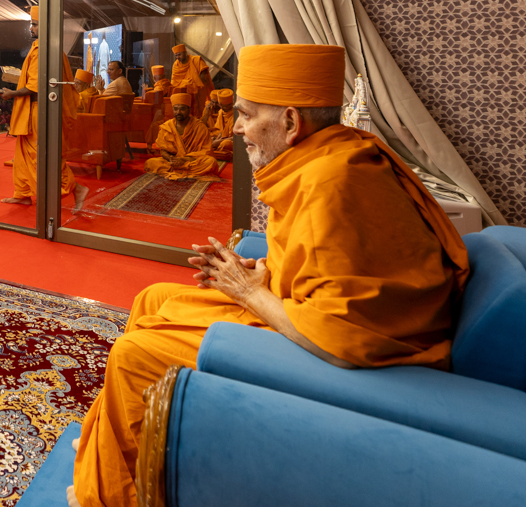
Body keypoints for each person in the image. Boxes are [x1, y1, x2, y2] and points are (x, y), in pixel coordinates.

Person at [69, 44, 470, 507]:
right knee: (154, 298)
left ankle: (109, 494)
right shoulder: (336, 152)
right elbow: (323, 262)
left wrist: (248, 292)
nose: (237, 127)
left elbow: (341, 336)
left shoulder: (331, 183)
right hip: (302, 304)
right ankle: (119, 451)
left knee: (134, 352)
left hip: (348, 347)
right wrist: (260, 269)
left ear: (291, 123)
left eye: (244, 114)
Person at [0, 7, 88, 210]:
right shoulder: (43, 47)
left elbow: (37, 88)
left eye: (35, 24)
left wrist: (11, 93)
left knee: (40, 155)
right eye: (31, 23)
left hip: (39, 110)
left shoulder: (44, 50)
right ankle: (22, 194)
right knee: (23, 154)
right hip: (34, 110)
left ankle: (77, 188)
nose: (31, 28)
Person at [142, 93, 216, 180]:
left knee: (211, 162)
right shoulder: (167, 126)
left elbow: (205, 152)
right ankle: (182, 169)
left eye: (182, 109)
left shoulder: (200, 127)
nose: (178, 112)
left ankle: (179, 170)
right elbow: (163, 151)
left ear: (189, 110)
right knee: (150, 163)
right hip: (173, 162)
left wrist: (183, 160)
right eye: (175, 109)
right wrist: (171, 160)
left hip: (191, 161)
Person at [170, 43, 210, 113]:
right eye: (176, 55)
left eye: (179, 54)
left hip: (198, 91)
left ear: (185, 53)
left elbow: (204, 73)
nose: (177, 57)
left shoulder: (196, 60)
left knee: (200, 110)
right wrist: (186, 84)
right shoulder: (176, 65)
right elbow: (174, 81)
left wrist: (195, 85)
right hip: (184, 93)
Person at [209, 88, 235, 160]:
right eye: (221, 105)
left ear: (231, 104)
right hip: (221, 138)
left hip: (233, 141)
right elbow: (219, 130)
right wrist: (215, 139)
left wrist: (220, 141)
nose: (222, 108)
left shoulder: (236, 114)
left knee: (225, 144)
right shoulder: (221, 112)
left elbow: (238, 137)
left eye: (225, 106)